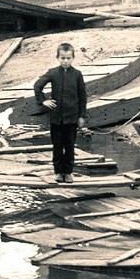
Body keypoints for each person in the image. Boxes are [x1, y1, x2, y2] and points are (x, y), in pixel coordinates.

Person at [34, 43, 87, 183]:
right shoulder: (52, 73)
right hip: (56, 118)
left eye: (68, 58)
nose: (65, 61)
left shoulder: (77, 74)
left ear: (73, 58)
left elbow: (83, 96)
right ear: (58, 58)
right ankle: (58, 172)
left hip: (72, 118)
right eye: (62, 58)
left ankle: (68, 172)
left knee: (69, 146)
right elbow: (37, 86)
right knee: (57, 146)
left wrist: (82, 116)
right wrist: (43, 101)